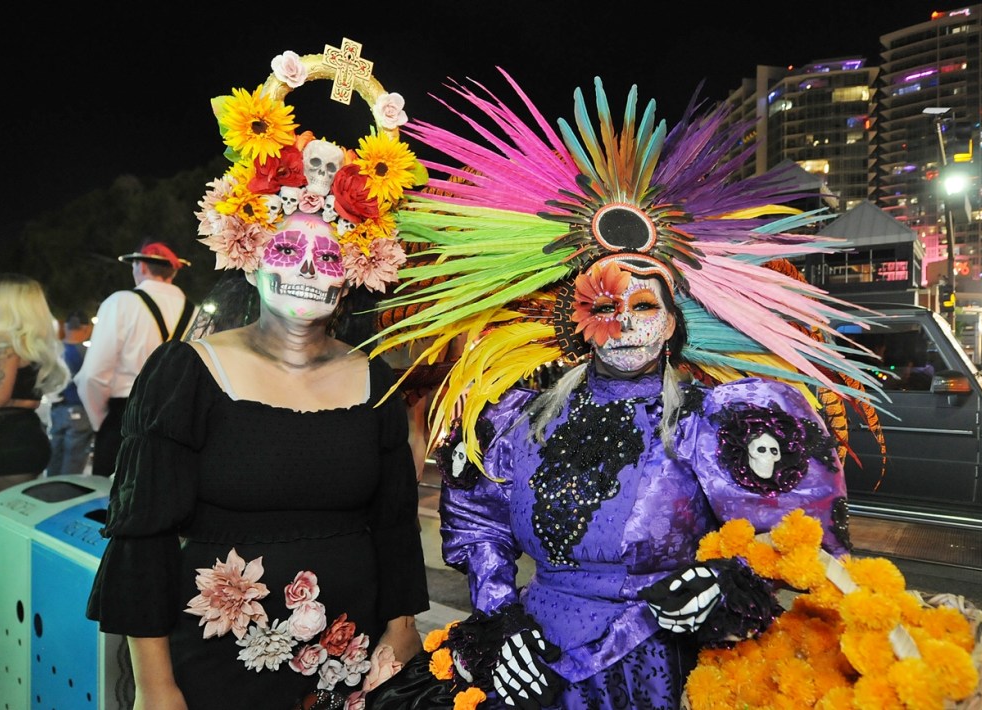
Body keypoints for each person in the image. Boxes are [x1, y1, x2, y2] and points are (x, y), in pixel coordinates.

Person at [360, 72, 886, 709]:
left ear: (674, 319)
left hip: (660, 669)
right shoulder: (516, 415)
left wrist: (721, 588)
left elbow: (804, 550)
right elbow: (477, 522)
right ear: (576, 318)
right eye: (606, 305)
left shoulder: (718, 420)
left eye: (646, 304)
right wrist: (501, 617)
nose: (628, 324)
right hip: (533, 662)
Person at [86, 47, 430, 710]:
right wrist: (156, 688)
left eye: (328, 252)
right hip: (213, 671)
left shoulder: (376, 384)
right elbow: (142, 542)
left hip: (349, 664)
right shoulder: (187, 373)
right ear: (249, 253)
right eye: (287, 246)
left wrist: (401, 633)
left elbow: (393, 526)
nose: (307, 265)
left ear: (356, 270)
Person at [75, 241, 195, 476]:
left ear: (140, 266)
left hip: (125, 415)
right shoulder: (196, 312)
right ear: (174, 270)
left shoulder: (120, 302)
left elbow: (92, 375)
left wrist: (102, 421)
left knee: (112, 501)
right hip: (178, 420)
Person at [0, 274, 70, 491]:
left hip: (5, 447)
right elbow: (32, 402)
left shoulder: (5, 346)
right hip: (29, 442)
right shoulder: (32, 346)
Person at [47, 310, 95, 476]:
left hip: (57, 410)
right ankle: (65, 495)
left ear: (66, 326)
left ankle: (49, 491)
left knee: (55, 455)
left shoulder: (53, 351)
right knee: (73, 461)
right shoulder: (87, 353)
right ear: (86, 328)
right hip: (80, 411)